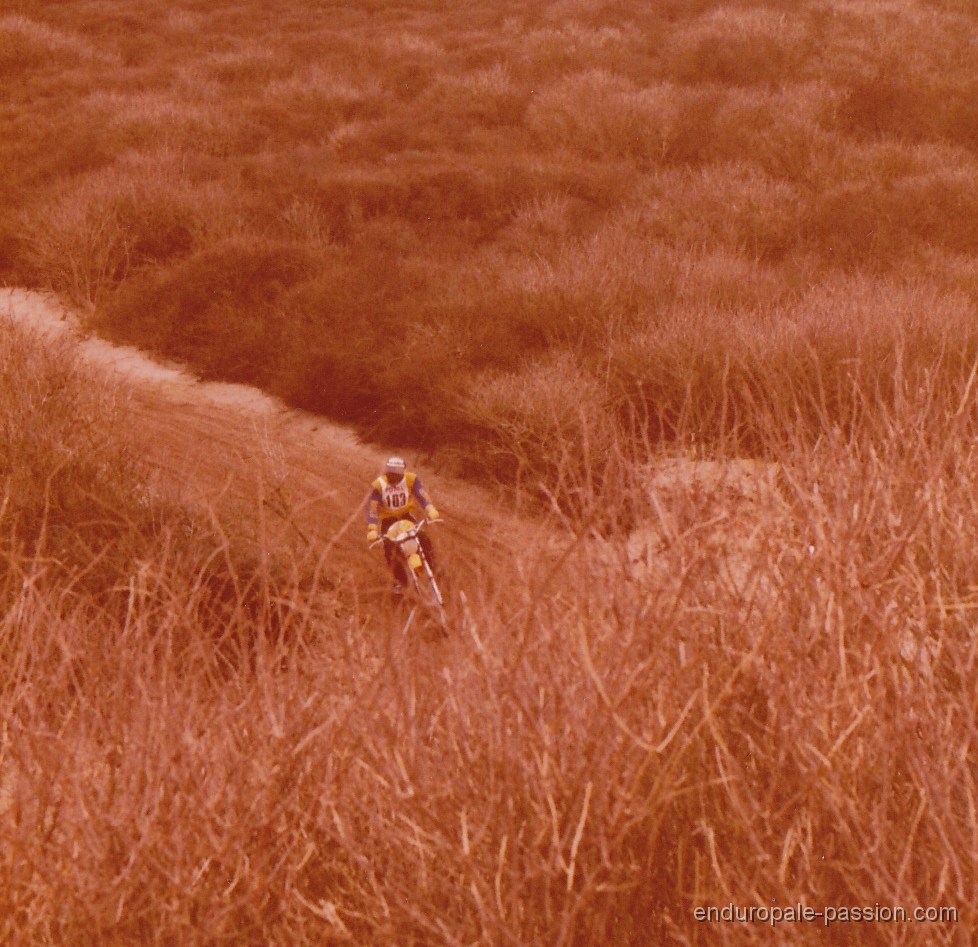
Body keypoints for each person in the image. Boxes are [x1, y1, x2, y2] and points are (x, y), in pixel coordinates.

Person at [366, 456, 441, 589]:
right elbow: (373, 507)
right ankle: (399, 582)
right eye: (389, 473)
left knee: (423, 538)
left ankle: (433, 567)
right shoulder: (379, 484)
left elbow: (422, 495)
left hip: (406, 517)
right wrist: (372, 528)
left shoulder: (411, 479)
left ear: (402, 473)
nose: (392, 477)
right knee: (390, 548)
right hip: (388, 522)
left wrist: (430, 508)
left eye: (395, 474)